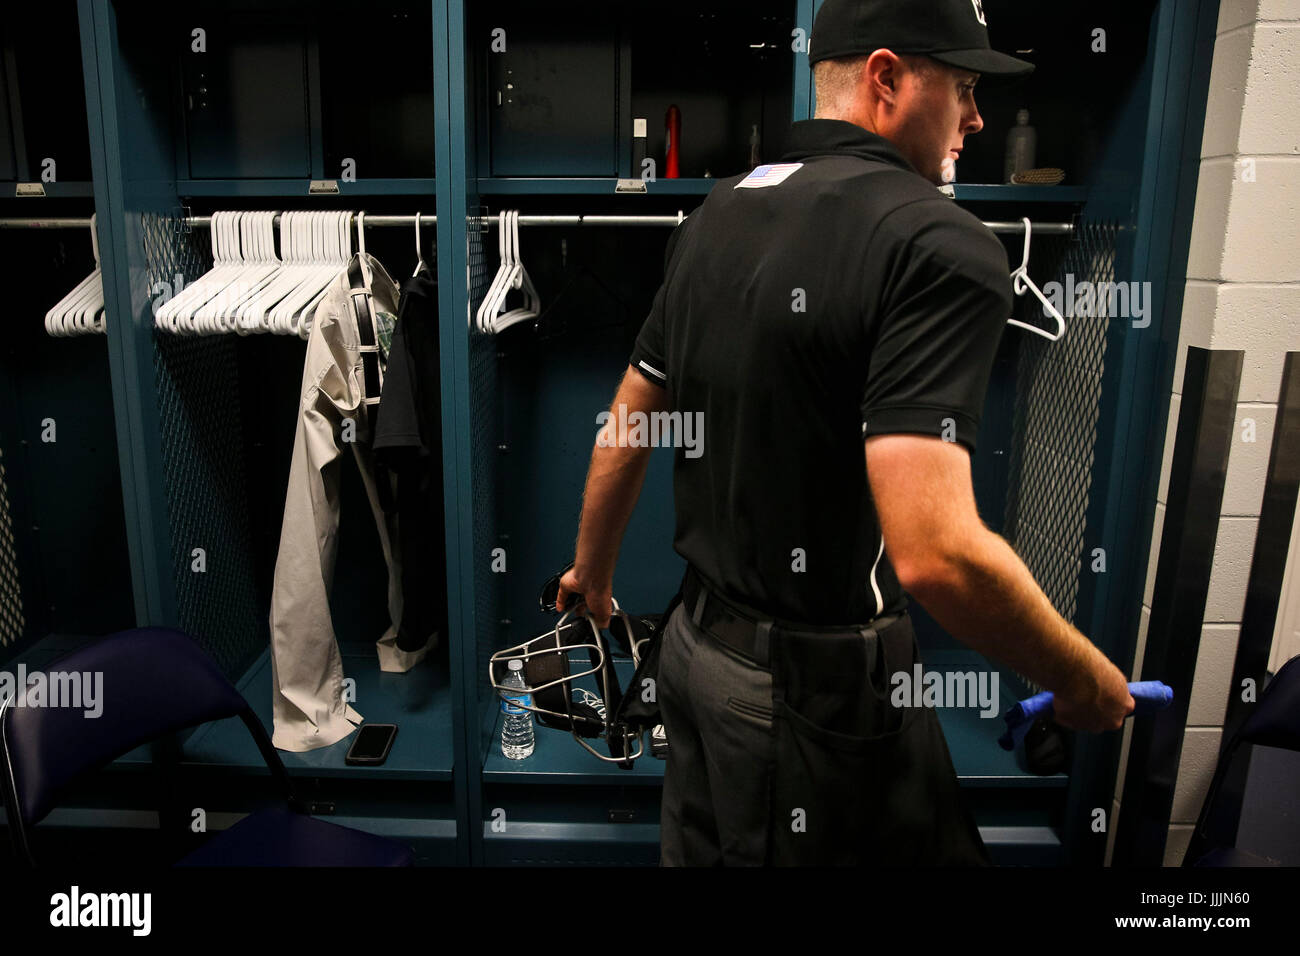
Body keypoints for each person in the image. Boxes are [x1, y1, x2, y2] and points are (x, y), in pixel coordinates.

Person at [554, 0, 1136, 866]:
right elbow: (936, 553)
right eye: (966, 88)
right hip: (804, 698)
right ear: (887, 78)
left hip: (691, 656)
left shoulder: (716, 214)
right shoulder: (943, 245)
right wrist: (1082, 679)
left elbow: (629, 420)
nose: (977, 118)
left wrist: (592, 576)